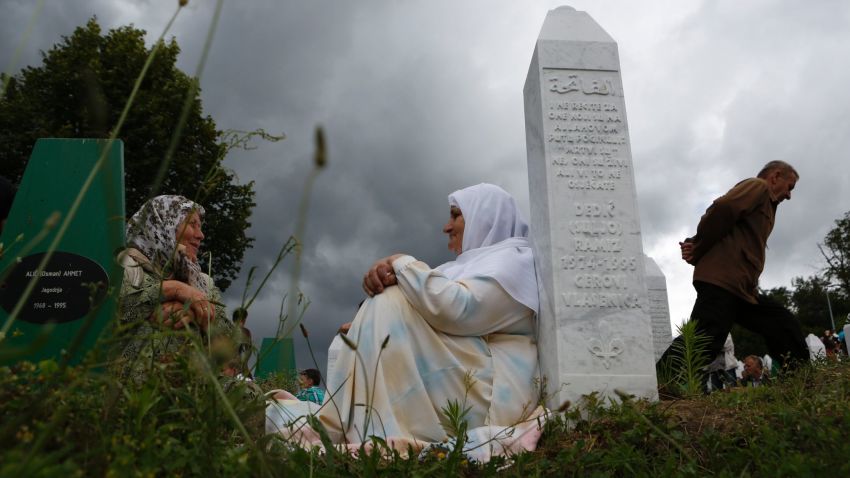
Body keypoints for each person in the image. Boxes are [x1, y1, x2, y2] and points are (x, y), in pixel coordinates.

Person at [267, 183, 545, 458]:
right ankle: (356, 427)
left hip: (491, 392)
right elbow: (427, 306)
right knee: (387, 300)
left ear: (486, 217)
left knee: (392, 299)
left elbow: (457, 310)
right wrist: (369, 323)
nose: (446, 227)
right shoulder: (461, 267)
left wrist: (400, 261)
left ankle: (368, 430)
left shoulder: (513, 263)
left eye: (455, 215)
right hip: (466, 373)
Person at [660, 161, 808, 377]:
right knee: (706, 338)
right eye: (790, 187)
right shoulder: (758, 187)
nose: (789, 195)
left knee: (781, 323)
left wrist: (697, 244)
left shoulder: (768, 205)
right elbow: (723, 209)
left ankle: (800, 379)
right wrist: (699, 246)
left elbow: (730, 232)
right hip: (723, 282)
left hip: (742, 288)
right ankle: (659, 383)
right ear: (775, 176)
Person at [114, 195, 237, 382]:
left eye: (200, 226)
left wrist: (197, 314)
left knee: (248, 394)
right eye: (192, 224)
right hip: (136, 389)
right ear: (164, 226)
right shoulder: (126, 267)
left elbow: (232, 345)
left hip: (197, 388)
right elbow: (115, 316)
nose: (200, 235)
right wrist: (173, 289)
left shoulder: (202, 281)